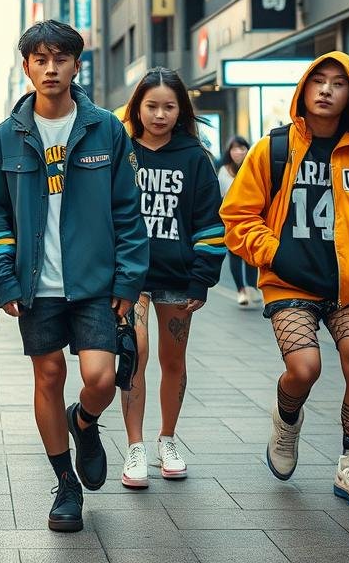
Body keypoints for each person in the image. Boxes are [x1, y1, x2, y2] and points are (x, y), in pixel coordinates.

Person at [0, 20, 148, 532]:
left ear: (76, 65)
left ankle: (83, 422)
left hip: (94, 284)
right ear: (26, 66)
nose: (51, 68)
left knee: (100, 378)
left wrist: (128, 279)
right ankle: (65, 483)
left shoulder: (106, 129)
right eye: (40, 59)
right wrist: (4, 277)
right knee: (48, 377)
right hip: (34, 286)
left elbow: (127, 212)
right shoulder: (6, 137)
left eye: (61, 58)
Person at [220, 51, 349, 512]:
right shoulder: (274, 149)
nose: (326, 90)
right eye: (318, 81)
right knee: (305, 368)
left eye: (338, 83)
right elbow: (238, 216)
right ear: (304, 89)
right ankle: (287, 421)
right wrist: (275, 253)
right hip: (289, 284)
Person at [118, 68, 224, 490]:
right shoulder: (121, 151)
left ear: (180, 110)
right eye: (151, 106)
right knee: (136, 353)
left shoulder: (194, 157)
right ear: (137, 107)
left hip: (178, 278)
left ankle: (167, 439)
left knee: (173, 361)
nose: (159, 115)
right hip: (131, 277)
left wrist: (202, 278)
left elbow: (210, 222)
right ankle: (135, 446)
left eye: (168, 107)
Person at [217, 136, 259, 306]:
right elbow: (220, 196)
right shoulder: (224, 171)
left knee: (250, 254)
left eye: (242, 148)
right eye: (235, 149)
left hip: (251, 218)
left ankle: (251, 287)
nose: (239, 152)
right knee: (234, 254)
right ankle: (241, 290)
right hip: (231, 220)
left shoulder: (253, 168)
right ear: (229, 152)